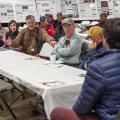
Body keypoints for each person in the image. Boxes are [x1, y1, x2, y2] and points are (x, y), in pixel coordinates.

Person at [50, 18, 120, 120]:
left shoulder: (98, 67)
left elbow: (81, 108)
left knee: (56, 112)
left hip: (107, 116)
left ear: (105, 38)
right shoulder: (64, 39)